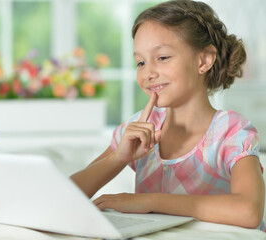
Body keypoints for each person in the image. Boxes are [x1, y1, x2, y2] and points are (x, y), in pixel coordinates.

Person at [71, 0, 265, 231]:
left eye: (162, 57)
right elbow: (64, 197)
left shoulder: (231, 132)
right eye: (140, 62)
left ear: (204, 60)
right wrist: (118, 158)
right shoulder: (139, 127)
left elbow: (249, 211)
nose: (148, 73)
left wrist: (150, 201)